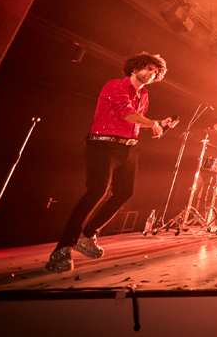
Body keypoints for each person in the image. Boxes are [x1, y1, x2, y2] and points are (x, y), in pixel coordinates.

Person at [45, 52, 177, 272]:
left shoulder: (144, 95)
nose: (151, 74)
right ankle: (62, 248)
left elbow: (136, 122)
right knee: (97, 191)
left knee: (125, 193)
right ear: (135, 68)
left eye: (155, 72)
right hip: (104, 145)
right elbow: (127, 114)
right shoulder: (115, 85)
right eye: (148, 68)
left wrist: (159, 124)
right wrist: (153, 123)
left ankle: (87, 235)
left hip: (129, 148)